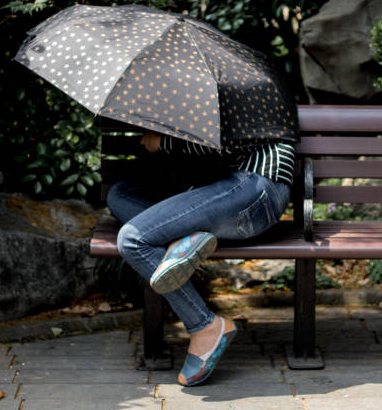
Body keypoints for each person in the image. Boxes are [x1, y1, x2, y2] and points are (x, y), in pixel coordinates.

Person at [106, 130, 295, 386]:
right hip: (232, 189)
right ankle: (181, 241)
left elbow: (225, 141)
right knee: (120, 195)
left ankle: (205, 325)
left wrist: (163, 142)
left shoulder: (235, 90)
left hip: (253, 188)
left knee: (133, 239)